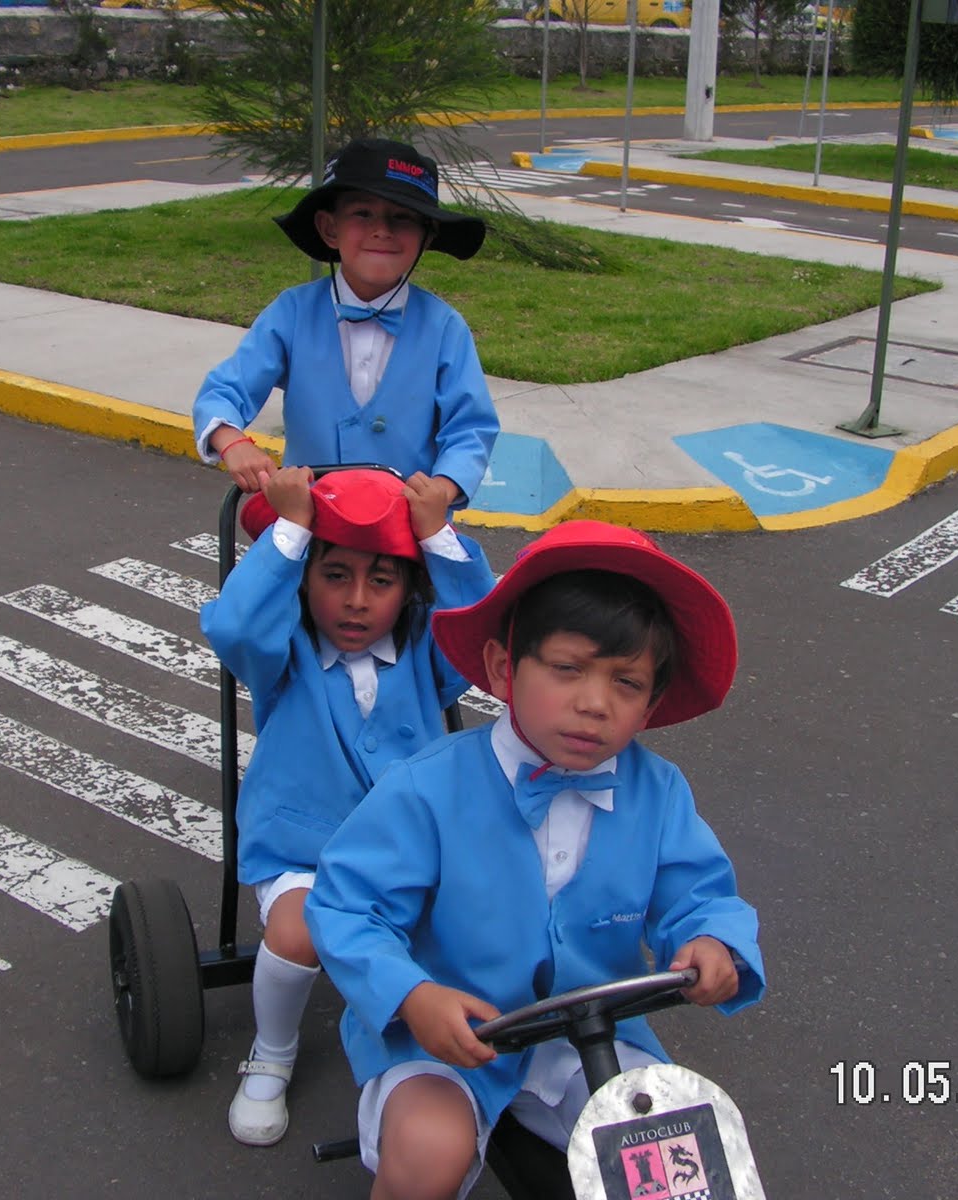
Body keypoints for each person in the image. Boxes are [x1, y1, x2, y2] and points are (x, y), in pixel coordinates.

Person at [306, 519, 766, 1200]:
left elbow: (698, 892)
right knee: (429, 1150)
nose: (593, 704)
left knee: (680, 1157)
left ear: (653, 701)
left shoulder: (659, 792)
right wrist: (413, 994)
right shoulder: (426, 788)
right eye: (566, 669)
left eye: (627, 683)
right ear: (501, 668)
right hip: (446, 1034)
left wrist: (712, 940)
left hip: (595, 1034)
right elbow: (347, 905)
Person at [199, 465, 496, 1148]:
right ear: (305, 581)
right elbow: (237, 626)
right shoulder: (285, 654)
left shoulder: (427, 649)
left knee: (480, 918)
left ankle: (477, 1047)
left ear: (410, 588)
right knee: (300, 932)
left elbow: (485, 642)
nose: (357, 602)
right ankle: (271, 1053)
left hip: (411, 853)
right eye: (335, 575)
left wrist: (440, 537)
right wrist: (293, 529)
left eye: (382, 581)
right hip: (306, 851)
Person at [193, 137, 498, 516]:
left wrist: (443, 487)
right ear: (329, 228)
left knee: (470, 576)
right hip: (308, 522)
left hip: (406, 530)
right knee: (251, 579)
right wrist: (232, 441)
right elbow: (225, 389)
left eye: (402, 217)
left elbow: (470, 429)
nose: (381, 230)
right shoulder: (291, 312)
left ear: (427, 234)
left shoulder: (445, 328)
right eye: (362, 214)